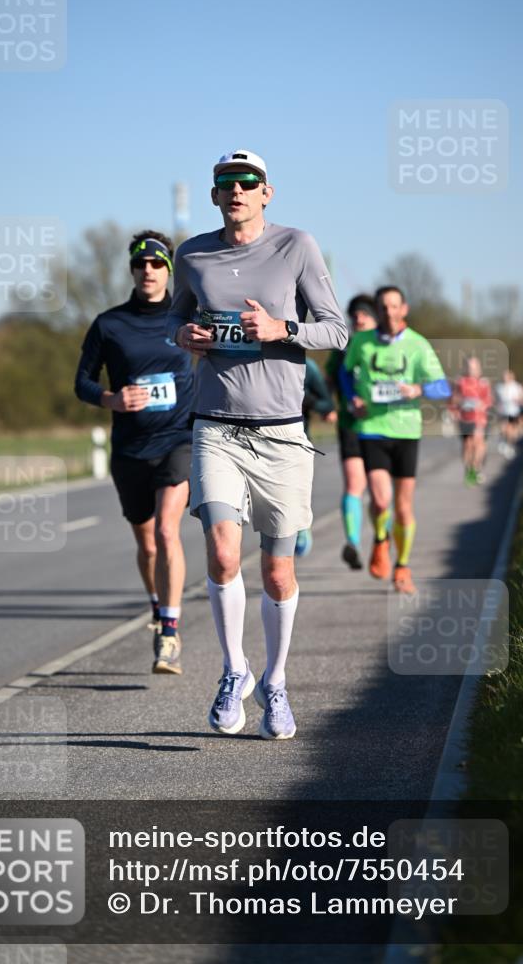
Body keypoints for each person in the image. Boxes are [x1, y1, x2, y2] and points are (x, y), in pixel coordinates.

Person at [168, 149, 347, 740]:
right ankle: (233, 669)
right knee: (222, 554)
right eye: (227, 183)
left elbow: (336, 328)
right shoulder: (191, 253)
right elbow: (177, 322)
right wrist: (188, 336)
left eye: (248, 182)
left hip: (281, 433)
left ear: (267, 192)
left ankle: (275, 681)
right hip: (215, 424)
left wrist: (282, 329)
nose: (237, 191)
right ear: (215, 194)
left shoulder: (296, 245)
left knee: (276, 572)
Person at [75, 231, 194, 675]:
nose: (149, 270)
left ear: (169, 271)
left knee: (167, 532)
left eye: (157, 264)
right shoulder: (109, 324)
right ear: (132, 270)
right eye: (141, 264)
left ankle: (169, 631)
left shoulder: (187, 317)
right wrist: (111, 400)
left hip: (177, 440)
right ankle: (156, 602)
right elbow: (82, 382)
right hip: (129, 449)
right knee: (147, 545)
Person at [341, 286, 450, 595]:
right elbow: (346, 374)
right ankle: (379, 540)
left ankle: (402, 566)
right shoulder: (361, 341)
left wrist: (419, 390)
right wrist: (352, 400)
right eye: (383, 307)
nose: (388, 312)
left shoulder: (418, 345)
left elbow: (443, 387)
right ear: (378, 310)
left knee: (403, 507)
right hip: (372, 428)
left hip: (406, 431)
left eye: (393, 306)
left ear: (404, 309)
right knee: (379, 500)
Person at [325, 294, 377, 569]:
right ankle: (353, 543)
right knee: (355, 485)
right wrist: (325, 404)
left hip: (383, 427)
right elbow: (328, 381)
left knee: (381, 493)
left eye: (365, 313)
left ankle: (381, 540)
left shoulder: (385, 346)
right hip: (350, 425)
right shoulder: (342, 347)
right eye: (355, 313)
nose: (359, 317)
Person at [294, 357, 337, 558]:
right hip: (253, 439)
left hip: (296, 439)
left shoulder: (307, 366)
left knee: (294, 493)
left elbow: (326, 403)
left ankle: (300, 527)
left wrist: (303, 399)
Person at [449, 355, 493, 485]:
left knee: (479, 443)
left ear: (479, 367)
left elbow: (489, 400)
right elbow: (452, 400)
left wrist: (482, 404)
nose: (472, 369)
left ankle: (476, 468)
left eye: (474, 367)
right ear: (465, 367)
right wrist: (455, 409)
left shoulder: (484, 382)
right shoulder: (460, 382)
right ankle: (468, 470)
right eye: (469, 366)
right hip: (464, 417)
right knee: (468, 444)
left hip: (480, 417)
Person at [494, 369, 523, 458]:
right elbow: (495, 399)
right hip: (503, 411)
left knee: (513, 432)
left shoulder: (516, 386)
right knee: (504, 429)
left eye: (506, 376)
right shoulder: (499, 387)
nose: (505, 378)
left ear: (511, 377)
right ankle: (503, 441)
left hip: (514, 411)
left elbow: (522, 397)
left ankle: (509, 445)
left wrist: (518, 399)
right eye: (504, 376)